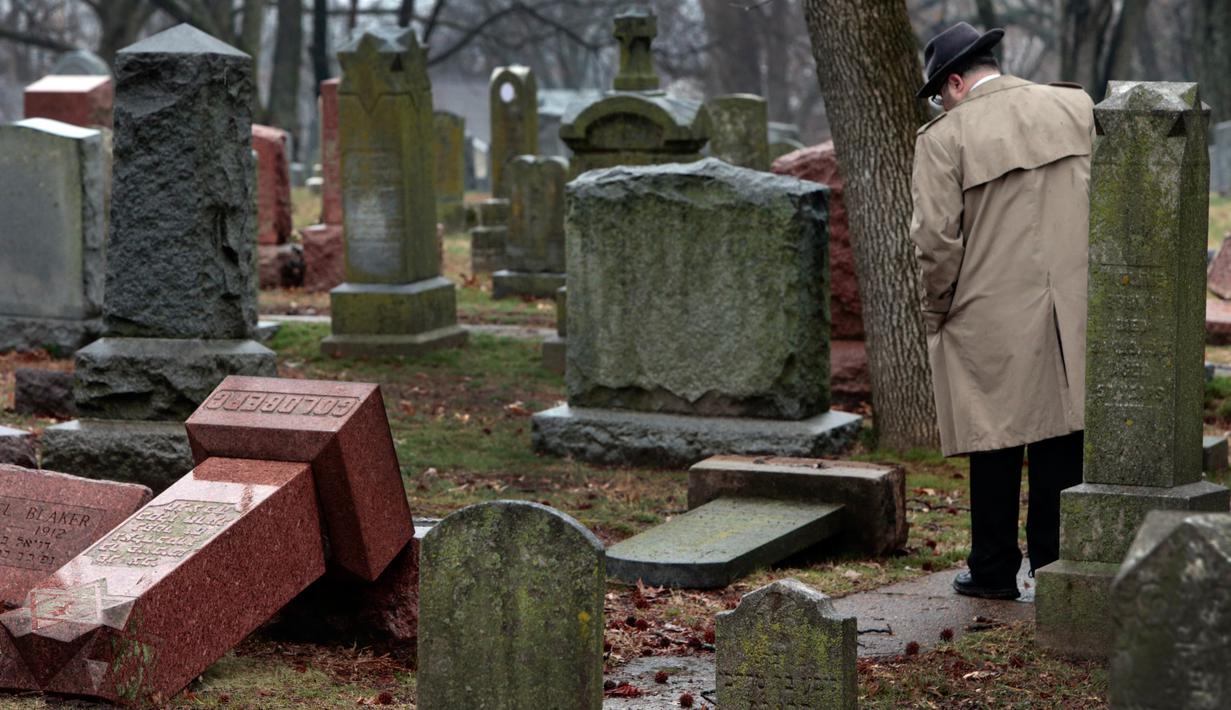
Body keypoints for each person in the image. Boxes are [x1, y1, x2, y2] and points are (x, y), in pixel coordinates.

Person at [909, 22, 1096, 599]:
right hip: (1073, 300)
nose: (942, 102)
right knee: (1061, 432)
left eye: (940, 92)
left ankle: (992, 569)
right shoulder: (1075, 106)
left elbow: (936, 242)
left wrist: (935, 310)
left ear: (957, 82)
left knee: (993, 440)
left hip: (986, 307)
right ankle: (1054, 565)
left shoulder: (943, 138)